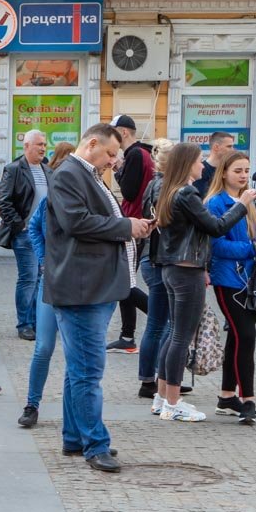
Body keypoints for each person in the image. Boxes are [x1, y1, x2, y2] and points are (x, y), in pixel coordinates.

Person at [45, 124, 153, 471]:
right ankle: (95, 444)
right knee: (88, 371)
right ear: (92, 143)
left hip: (92, 286)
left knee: (78, 369)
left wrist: (131, 223)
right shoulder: (68, 174)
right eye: (110, 154)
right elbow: (76, 222)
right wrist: (126, 227)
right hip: (81, 289)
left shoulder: (86, 173)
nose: (113, 162)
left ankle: (74, 437)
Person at [153, 142, 255, 422]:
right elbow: (216, 227)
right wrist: (243, 205)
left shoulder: (170, 191)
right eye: (199, 161)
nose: (204, 165)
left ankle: (162, 397)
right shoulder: (187, 193)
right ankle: (173, 403)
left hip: (173, 269)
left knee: (174, 334)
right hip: (187, 272)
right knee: (180, 337)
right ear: (188, 165)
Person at [206, 152, 256, 425]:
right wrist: (252, 247)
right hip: (227, 280)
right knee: (246, 336)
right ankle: (248, 400)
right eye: (238, 171)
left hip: (252, 280)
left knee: (237, 338)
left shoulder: (248, 200)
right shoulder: (215, 204)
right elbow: (216, 245)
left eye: (246, 170)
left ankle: (226, 397)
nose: (244, 175)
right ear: (224, 172)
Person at [17, 143, 75, 429]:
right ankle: (31, 404)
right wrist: (43, 260)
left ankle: (75, 413)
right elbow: (33, 228)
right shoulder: (49, 201)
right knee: (43, 347)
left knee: (76, 354)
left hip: (79, 288)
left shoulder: (90, 199)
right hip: (51, 282)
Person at [106, 114, 154, 353]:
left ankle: (160, 317)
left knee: (125, 282)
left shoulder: (135, 154)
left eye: (113, 132)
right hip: (136, 222)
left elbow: (129, 191)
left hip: (132, 224)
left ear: (123, 132)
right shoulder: (143, 153)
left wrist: (118, 170)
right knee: (126, 280)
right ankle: (127, 336)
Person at [0, 128, 48, 340]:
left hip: (44, 235)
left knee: (39, 279)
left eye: (44, 144)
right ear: (26, 146)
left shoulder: (48, 170)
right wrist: (20, 225)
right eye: (39, 144)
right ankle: (24, 324)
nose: (43, 148)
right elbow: (3, 201)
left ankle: (36, 322)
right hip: (25, 235)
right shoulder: (14, 169)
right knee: (29, 278)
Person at [137, 138, 177, 400]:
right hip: (159, 259)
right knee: (163, 325)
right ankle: (159, 378)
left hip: (151, 257)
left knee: (157, 324)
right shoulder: (167, 186)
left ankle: (152, 379)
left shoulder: (153, 184)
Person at [192, 131, 235, 197]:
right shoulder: (201, 170)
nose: (233, 150)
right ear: (216, 147)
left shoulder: (230, 170)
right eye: (229, 146)